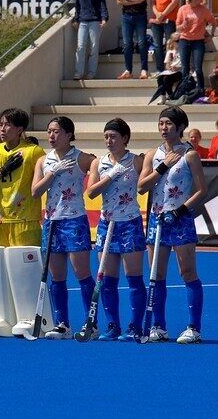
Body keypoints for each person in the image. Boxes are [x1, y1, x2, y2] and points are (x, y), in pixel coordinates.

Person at [137, 107, 205, 344]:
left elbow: (201, 190)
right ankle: (158, 325)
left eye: (168, 124)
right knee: (157, 274)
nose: (163, 128)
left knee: (187, 272)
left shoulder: (190, 155)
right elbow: (141, 187)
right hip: (157, 220)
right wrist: (163, 166)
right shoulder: (151, 155)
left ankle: (194, 328)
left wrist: (179, 211)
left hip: (180, 219)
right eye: (161, 123)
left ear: (180, 127)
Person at [31, 117, 95, 339]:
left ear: (69, 134)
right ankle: (62, 324)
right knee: (56, 276)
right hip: (51, 221)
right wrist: (52, 172)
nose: (51, 136)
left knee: (82, 273)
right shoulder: (43, 161)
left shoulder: (82, 158)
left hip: (74, 219)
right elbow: (35, 191)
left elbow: (98, 169)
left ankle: (91, 322)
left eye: (56, 132)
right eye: (49, 131)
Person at [85, 118, 147, 341]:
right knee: (108, 280)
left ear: (125, 139)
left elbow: (145, 185)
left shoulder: (137, 161)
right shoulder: (98, 163)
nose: (109, 141)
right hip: (106, 224)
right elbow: (91, 192)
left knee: (134, 278)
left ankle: (135, 327)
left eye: (113, 136)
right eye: (106, 136)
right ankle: (113, 325)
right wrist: (111, 174)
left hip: (129, 222)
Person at [0, 108, 45, 248]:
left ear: (20, 129)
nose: (2, 129)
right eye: (0, 124)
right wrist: (2, 171)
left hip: (25, 220)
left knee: (24, 268)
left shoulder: (33, 152)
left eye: (7, 125)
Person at [117, 0, 151, 80]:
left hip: (140, 15)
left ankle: (144, 70)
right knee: (127, 44)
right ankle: (128, 70)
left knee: (142, 43)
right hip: (126, 16)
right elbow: (118, 0)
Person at [176, 0, 216, 92]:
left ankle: (200, 89)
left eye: (199, 0)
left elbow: (213, 22)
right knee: (185, 68)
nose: (198, 2)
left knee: (198, 68)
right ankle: (184, 89)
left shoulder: (203, 9)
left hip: (198, 41)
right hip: (184, 40)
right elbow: (177, 27)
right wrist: (183, 26)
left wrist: (211, 34)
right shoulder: (183, 9)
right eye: (195, 0)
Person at [73, 0, 108, 80]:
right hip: (83, 21)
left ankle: (91, 73)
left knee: (93, 47)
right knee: (80, 47)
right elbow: (78, 6)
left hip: (94, 21)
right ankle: (79, 72)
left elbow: (103, 4)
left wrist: (104, 18)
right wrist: (76, 19)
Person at [150, 0, 182, 74]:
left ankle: (171, 68)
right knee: (157, 45)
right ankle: (160, 69)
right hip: (156, 20)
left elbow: (174, 2)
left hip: (170, 19)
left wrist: (162, 14)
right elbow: (152, 3)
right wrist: (157, 14)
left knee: (171, 44)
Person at [151, 32, 182, 104]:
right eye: (177, 41)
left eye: (180, 41)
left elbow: (187, 64)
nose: (179, 43)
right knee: (160, 78)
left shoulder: (183, 52)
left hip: (180, 71)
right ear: (172, 42)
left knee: (167, 79)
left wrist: (178, 68)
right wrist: (170, 67)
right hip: (172, 72)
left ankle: (171, 96)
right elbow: (167, 65)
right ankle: (163, 96)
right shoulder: (170, 52)